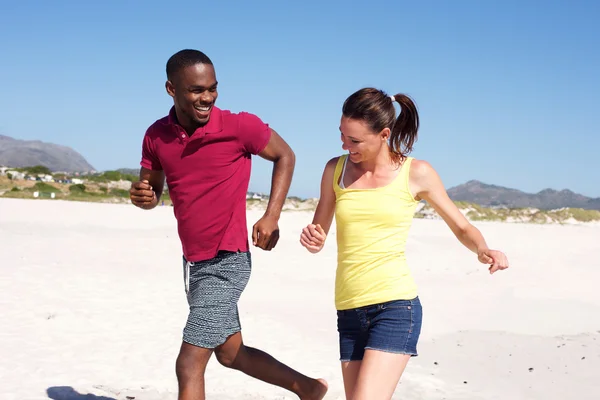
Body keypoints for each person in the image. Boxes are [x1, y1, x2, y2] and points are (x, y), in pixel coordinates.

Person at [129, 49, 328, 400]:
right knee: (231, 353)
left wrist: (272, 215)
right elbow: (153, 189)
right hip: (193, 263)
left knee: (189, 362)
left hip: (227, 260)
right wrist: (144, 197)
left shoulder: (240, 126)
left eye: (212, 88)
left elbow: (285, 155)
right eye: (196, 90)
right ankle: (308, 388)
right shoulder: (155, 135)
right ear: (171, 89)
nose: (207, 97)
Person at [299, 88, 509, 400]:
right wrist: (313, 239)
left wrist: (483, 248)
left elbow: (461, 225)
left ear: (384, 134)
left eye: (354, 140)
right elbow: (320, 231)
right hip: (348, 308)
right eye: (342, 135)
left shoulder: (416, 173)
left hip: (395, 307)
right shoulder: (335, 170)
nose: (345, 145)